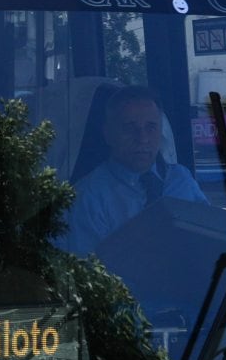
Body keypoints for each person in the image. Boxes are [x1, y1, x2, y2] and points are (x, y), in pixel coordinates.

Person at [63, 84, 207, 255]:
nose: (142, 138)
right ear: (108, 134)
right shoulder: (88, 198)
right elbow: (87, 274)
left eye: (151, 127)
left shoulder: (181, 179)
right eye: (130, 128)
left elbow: (210, 240)